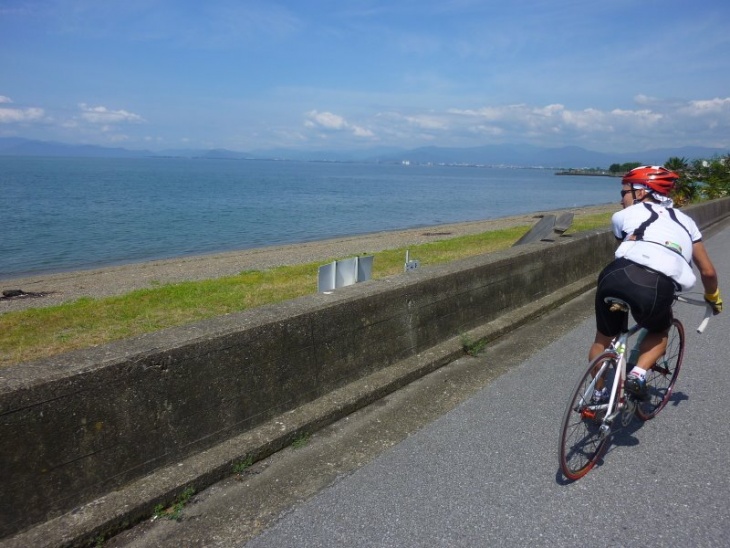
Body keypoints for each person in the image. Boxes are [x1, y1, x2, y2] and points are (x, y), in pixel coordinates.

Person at [589, 165, 723, 401]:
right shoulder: (687, 223)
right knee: (660, 331)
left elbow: (628, 248)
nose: (621, 200)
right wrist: (713, 297)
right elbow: (708, 272)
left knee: (603, 339)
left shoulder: (621, 216)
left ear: (641, 193)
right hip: (657, 285)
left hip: (614, 274)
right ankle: (638, 374)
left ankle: (597, 394)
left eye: (624, 193)